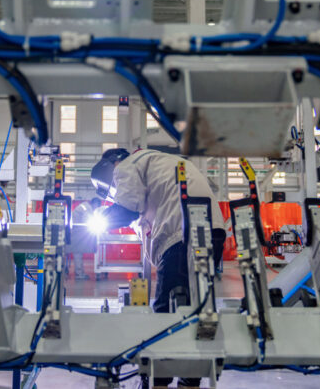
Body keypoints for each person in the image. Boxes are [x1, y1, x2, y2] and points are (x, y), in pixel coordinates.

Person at [91, 148, 226, 388]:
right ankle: (189, 381)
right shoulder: (159, 164)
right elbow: (141, 218)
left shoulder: (126, 166)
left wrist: (101, 216)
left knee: (166, 312)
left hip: (180, 233)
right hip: (212, 229)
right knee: (195, 308)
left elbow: (126, 210)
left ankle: (159, 382)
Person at [68, 197, 102, 280]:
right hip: (76, 233)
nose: (96, 209)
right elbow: (87, 221)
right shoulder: (87, 209)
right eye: (97, 207)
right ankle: (79, 274)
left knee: (78, 253)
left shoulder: (85, 206)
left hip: (75, 232)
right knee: (78, 253)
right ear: (95, 204)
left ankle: (79, 273)